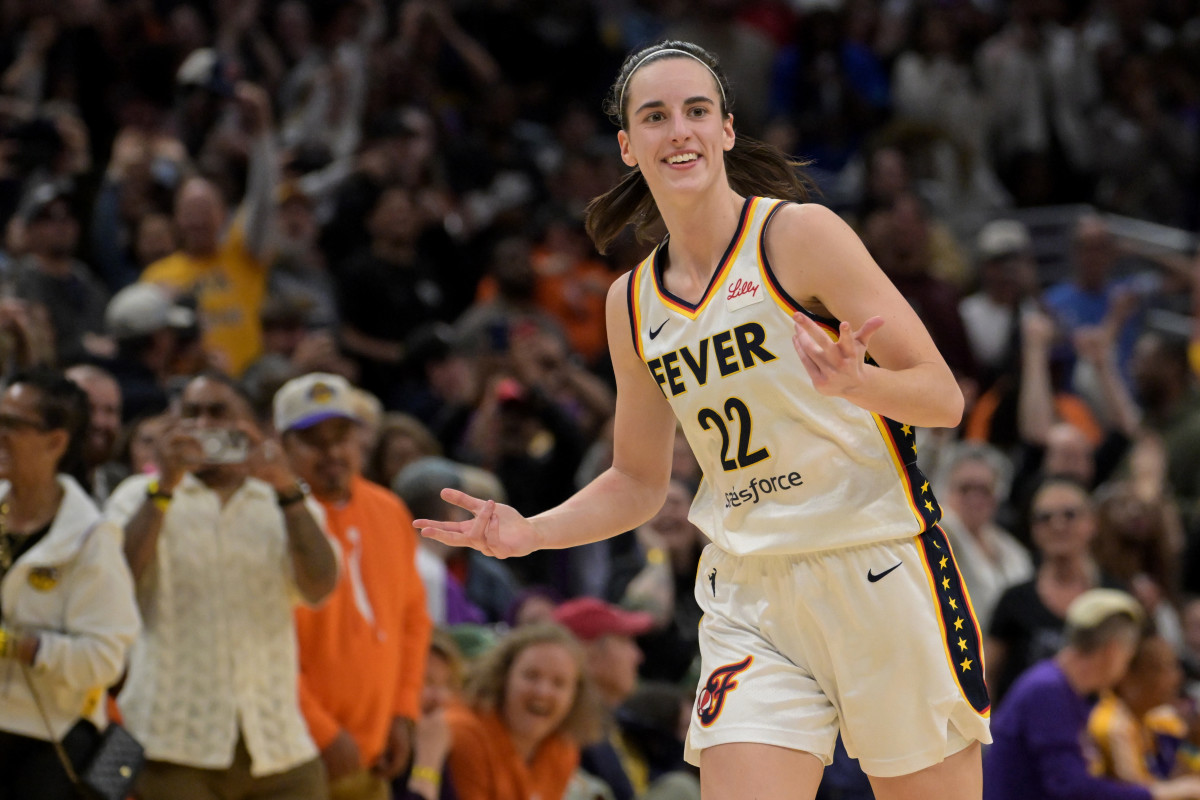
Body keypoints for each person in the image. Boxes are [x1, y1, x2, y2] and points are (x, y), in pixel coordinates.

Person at [416, 40, 989, 799]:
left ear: (725, 129)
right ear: (628, 145)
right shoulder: (631, 302)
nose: (677, 129)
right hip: (749, 590)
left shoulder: (799, 236)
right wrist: (533, 531)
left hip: (875, 563)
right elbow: (637, 480)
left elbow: (942, 396)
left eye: (695, 111)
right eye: (654, 116)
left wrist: (860, 384)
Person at [105, 372, 338, 799]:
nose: (204, 425)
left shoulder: (284, 500)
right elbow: (115, 586)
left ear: (254, 427)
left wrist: (285, 485)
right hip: (167, 744)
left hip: (278, 743)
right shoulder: (137, 494)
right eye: (191, 414)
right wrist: (165, 487)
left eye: (219, 412)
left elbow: (320, 586)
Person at [275, 372, 433, 800]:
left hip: (374, 754)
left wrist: (403, 712)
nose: (331, 452)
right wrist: (322, 732)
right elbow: (263, 644)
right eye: (313, 440)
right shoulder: (272, 520)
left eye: (341, 436)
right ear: (281, 448)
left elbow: (413, 620)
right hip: (293, 756)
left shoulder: (389, 509)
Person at [0, 369, 141, 799]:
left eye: (11, 425)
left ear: (56, 441)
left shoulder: (90, 539)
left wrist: (20, 646)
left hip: (47, 743)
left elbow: (104, 661)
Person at [983, 589, 1200, 800]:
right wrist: (1163, 793)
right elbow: (1070, 787)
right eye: (1128, 657)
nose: (1124, 669)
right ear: (1113, 651)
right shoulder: (1047, 691)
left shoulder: (1064, 688)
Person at [443, 622, 604, 800]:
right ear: (504, 677)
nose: (542, 692)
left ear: (575, 695)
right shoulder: (464, 733)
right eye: (531, 676)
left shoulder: (564, 747)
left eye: (559, 683)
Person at [553, 596, 656, 800]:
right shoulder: (569, 727)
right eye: (625, 641)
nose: (638, 656)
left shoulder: (619, 721)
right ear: (588, 654)